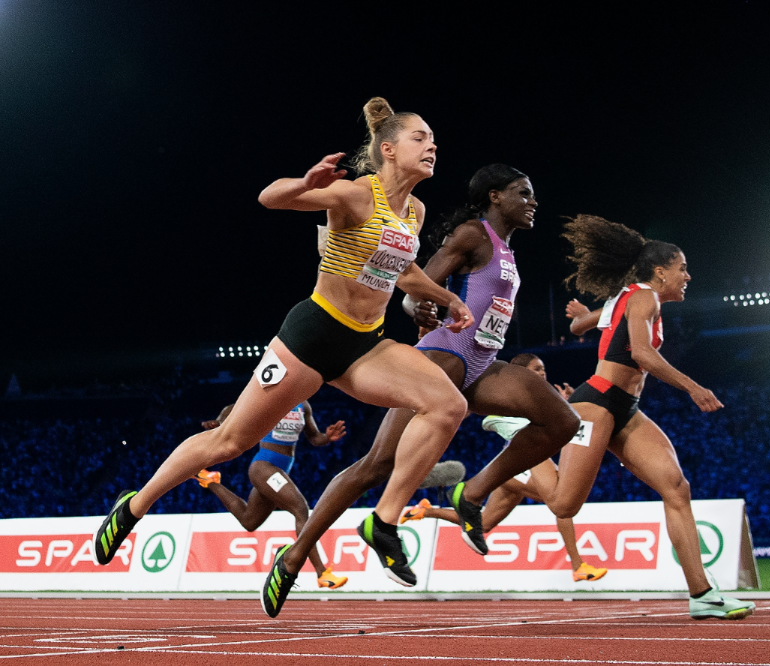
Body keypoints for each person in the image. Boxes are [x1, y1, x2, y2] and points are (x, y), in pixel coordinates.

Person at [94, 97, 475, 618]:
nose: (432, 145)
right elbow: (269, 198)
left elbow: (403, 270)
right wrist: (305, 183)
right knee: (230, 442)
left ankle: (384, 522)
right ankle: (133, 507)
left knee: (448, 405)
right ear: (388, 149)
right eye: (420, 137)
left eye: (433, 139)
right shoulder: (355, 193)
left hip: (366, 344)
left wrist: (449, 297)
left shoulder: (415, 211)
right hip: (313, 335)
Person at [258, 164, 580, 617]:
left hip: (483, 364)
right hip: (442, 358)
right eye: (523, 193)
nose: (533, 202)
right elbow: (414, 285)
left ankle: (470, 495)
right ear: (494, 196)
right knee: (375, 466)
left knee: (562, 421)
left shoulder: (507, 248)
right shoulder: (474, 234)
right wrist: (419, 308)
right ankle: (294, 558)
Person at [546, 214, 755, 620]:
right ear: (660, 271)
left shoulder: (623, 299)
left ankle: (703, 594)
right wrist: (692, 387)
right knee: (564, 504)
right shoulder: (645, 298)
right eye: (682, 269)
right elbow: (641, 353)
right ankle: (501, 478)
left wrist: (583, 314)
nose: (687, 277)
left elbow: (578, 326)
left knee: (676, 487)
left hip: (625, 409)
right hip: (596, 402)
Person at [402, 352, 608, 582]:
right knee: (561, 498)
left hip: (513, 468)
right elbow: (464, 406)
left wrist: (568, 403)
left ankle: (426, 510)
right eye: (536, 369)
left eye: (543, 369)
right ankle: (578, 566)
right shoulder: (508, 394)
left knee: (484, 523)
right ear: (519, 373)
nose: (543, 373)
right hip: (528, 457)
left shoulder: (542, 398)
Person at [192, 401, 349, 589]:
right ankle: (322, 573)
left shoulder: (303, 406)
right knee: (300, 509)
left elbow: (314, 437)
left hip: (280, 469)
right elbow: (235, 407)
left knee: (249, 520)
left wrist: (327, 437)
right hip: (263, 467)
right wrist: (219, 422)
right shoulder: (272, 397)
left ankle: (210, 481)